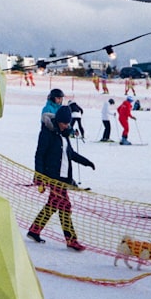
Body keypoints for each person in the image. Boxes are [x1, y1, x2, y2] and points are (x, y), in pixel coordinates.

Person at [28, 105, 94, 251]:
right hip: (53, 176)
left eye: (68, 123)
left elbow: (70, 154)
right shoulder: (47, 133)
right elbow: (39, 155)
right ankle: (71, 240)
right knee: (65, 206)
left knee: (52, 205)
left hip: (64, 177)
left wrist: (86, 162)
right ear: (58, 121)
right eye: (64, 123)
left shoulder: (64, 135)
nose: (66, 126)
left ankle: (34, 230)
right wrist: (39, 176)